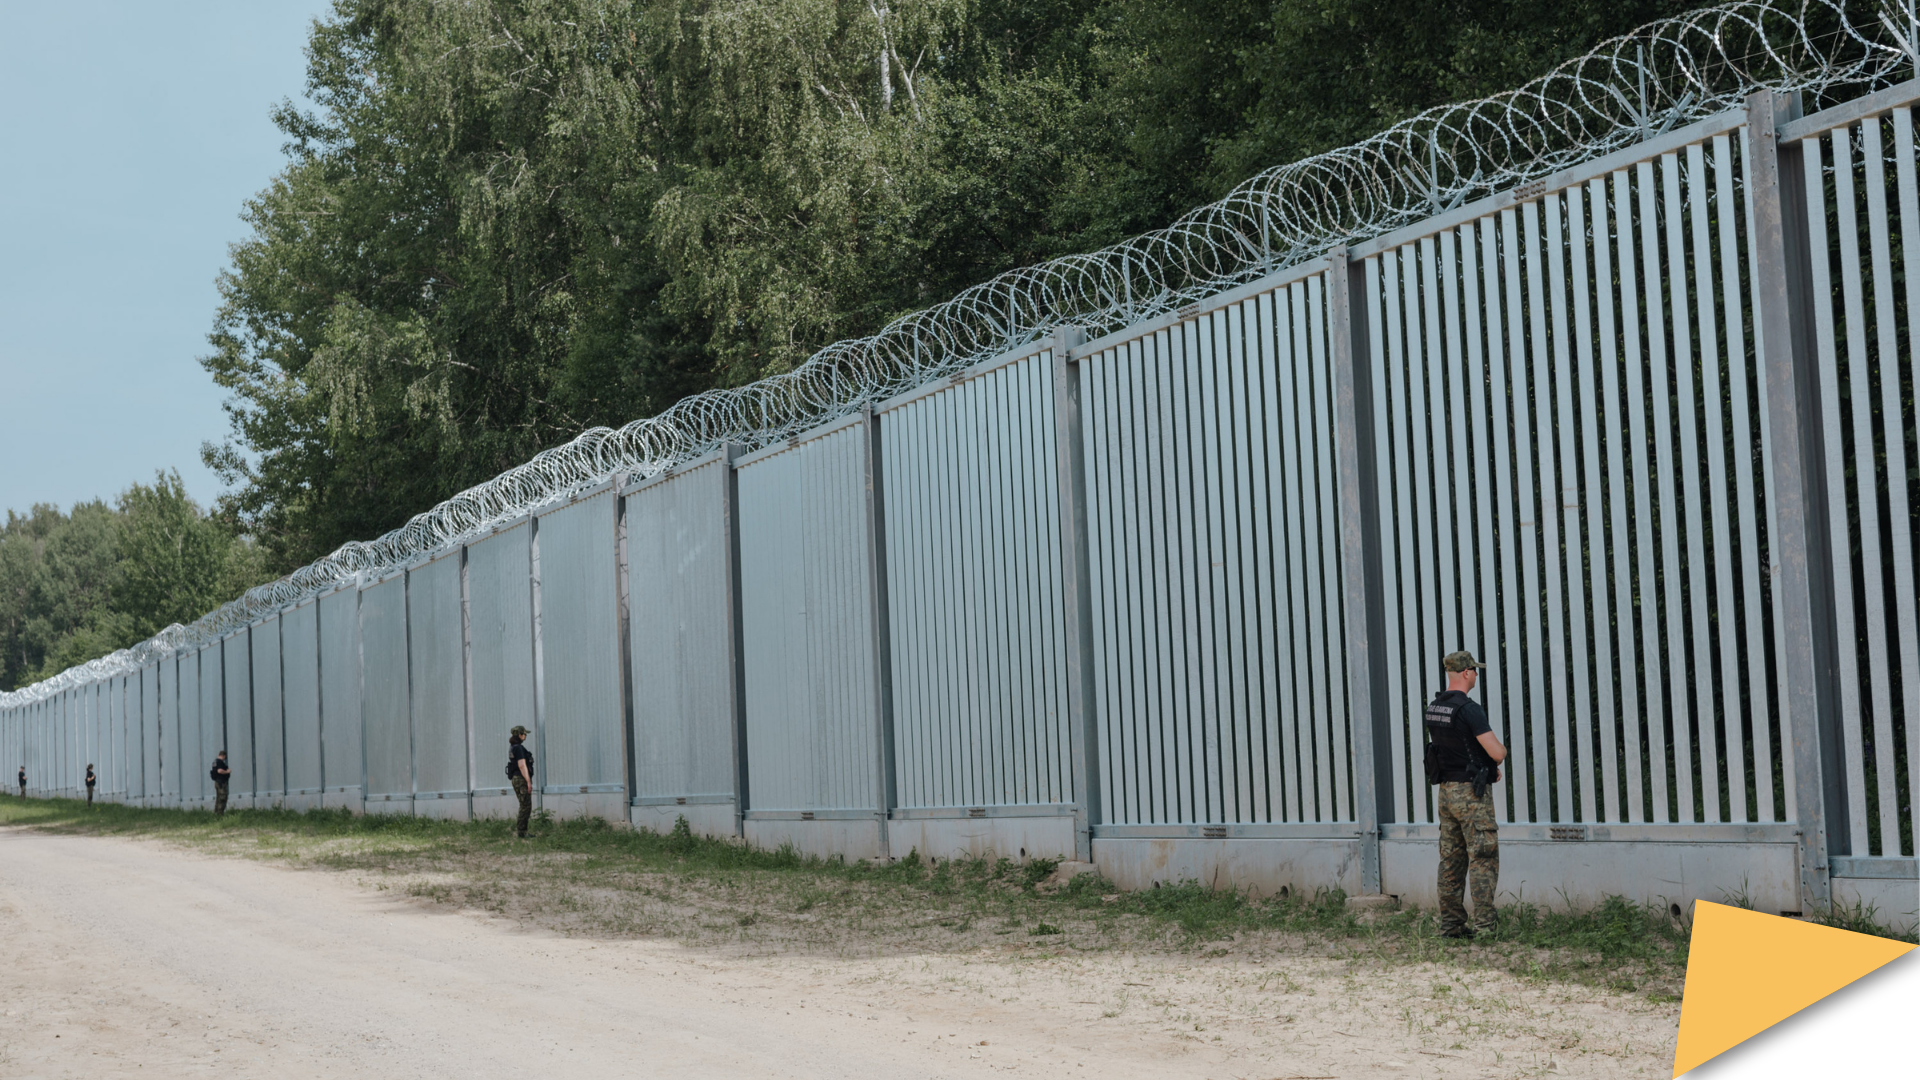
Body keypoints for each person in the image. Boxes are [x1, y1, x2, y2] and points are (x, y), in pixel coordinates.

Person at [1425, 650, 1507, 939]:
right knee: (1483, 856)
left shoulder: (1435, 707)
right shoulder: (1470, 709)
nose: (1476, 675)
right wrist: (1493, 762)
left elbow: (1453, 748)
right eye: (1475, 670)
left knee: (1451, 860)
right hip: (1471, 795)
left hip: (1446, 793)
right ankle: (1485, 928)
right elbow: (1496, 751)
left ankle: (1451, 926)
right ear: (1467, 673)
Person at [507, 725, 534, 839]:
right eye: (524, 734)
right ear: (520, 735)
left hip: (516, 778)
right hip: (521, 778)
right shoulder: (519, 748)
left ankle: (521, 831)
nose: (525, 736)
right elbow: (522, 765)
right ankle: (522, 832)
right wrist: (528, 781)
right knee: (525, 805)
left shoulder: (513, 747)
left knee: (524, 805)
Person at [210, 751, 232, 816]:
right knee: (222, 798)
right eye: (225, 757)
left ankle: (216, 813)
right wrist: (227, 772)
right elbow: (219, 771)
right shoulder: (219, 762)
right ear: (224, 756)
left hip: (217, 782)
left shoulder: (215, 762)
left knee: (218, 798)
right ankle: (220, 814)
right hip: (221, 783)